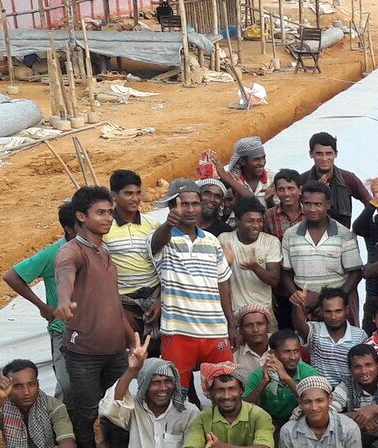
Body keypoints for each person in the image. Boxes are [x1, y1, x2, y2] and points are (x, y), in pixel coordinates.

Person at [56, 184, 135, 448]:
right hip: (84, 353)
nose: (108, 218)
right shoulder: (72, 251)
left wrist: (131, 338)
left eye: (109, 212)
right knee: (86, 415)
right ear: (80, 216)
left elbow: (113, 302)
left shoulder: (104, 252)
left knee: (117, 411)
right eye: (100, 213)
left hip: (115, 350)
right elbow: (65, 275)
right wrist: (63, 301)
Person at [150, 178, 237, 398]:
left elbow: (223, 283)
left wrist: (231, 324)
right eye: (183, 204)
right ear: (172, 207)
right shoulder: (163, 238)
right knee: (176, 393)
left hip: (215, 330)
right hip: (178, 332)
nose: (190, 209)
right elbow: (155, 244)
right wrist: (169, 224)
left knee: (226, 391)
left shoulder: (211, 241)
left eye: (195, 203)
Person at [4, 202, 76, 397]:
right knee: (67, 384)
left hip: (93, 329)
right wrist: (43, 306)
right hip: (64, 330)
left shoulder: (98, 249)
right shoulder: (54, 254)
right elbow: (12, 276)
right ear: (69, 228)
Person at [281, 181, 363, 318]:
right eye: (308, 204)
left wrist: (332, 301)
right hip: (304, 307)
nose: (312, 209)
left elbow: (356, 273)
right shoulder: (290, 235)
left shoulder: (343, 234)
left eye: (318, 204)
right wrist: (296, 294)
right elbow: (286, 272)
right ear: (302, 204)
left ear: (328, 204)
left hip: (335, 310)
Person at [104, 170, 160, 339]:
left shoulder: (153, 224)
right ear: (114, 195)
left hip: (155, 298)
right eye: (128, 193)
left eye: (138, 193)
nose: (135, 199)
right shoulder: (105, 227)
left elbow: (166, 263)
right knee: (132, 351)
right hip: (124, 303)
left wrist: (161, 300)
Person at [220, 197, 282, 320]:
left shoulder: (271, 242)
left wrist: (255, 267)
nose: (256, 226)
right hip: (235, 311)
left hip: (263, 312)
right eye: (250, 221)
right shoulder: (224, 240)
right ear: (237, 221)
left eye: (259, 221)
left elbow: (274, 280)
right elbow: (221, 281)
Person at [244, 329, 319, 430]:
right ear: (273, 353)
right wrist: (263, 382)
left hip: (300, 423)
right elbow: (244, 406)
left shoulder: (308, 372)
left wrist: (286, 378)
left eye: (296, 351)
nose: (293, 357)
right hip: (268, 424)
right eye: (287, 352)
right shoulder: (259, 374)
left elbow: (312, 399)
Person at [293, 289, 366, 383]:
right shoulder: (315, 330)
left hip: (349, 392)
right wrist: (297, 304)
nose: (333, 317)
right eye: (328, 312)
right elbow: (299, 325)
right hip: (319, 390)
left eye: (338, 311)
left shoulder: (360, 335)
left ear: (347, 310)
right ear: (322, 311)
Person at [302, 132, 371, 227]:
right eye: (319, 154)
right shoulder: (302, 180)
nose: (324, 158)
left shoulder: (348, 178)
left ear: (336, 154)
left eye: (328, 153)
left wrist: (358, 227)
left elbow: (370, 204)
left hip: (342, 237)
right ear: (311, 154)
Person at [216, 135, 272, 206]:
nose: (262, 163)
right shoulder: (231, 179)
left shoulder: (272, 180)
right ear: (242, 161)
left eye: (263, 158)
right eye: (256, 159)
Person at [232, 305, 274, 386]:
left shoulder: (281, 345)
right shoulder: (235, 355)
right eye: (249, 325)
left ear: (268, 326)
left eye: (260, 324)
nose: (255, 330)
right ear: (241, 329)